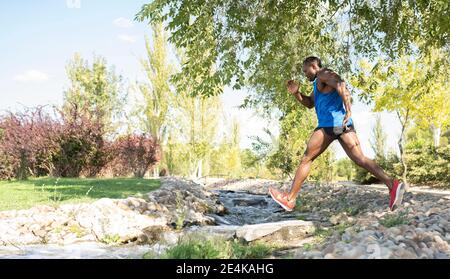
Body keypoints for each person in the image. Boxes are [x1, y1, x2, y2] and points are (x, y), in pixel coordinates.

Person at [269, 56, 406, 212]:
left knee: (307, 158)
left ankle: (290, 199)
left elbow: (341, 85)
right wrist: (296, 93)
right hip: (341, 125)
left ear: (314, 66)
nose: (305, 74)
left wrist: (348, 110)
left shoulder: (323, 74)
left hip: (330, 125)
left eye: (306, 71)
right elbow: (309, 104)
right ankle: (392, 185)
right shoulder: (318, 83)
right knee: (360, 158)